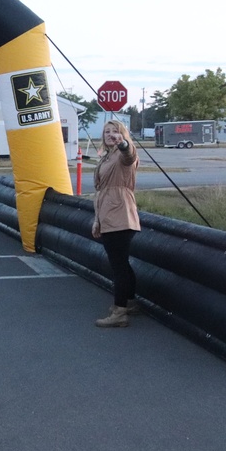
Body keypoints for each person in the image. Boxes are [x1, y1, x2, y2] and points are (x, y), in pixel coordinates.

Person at [91, 119, 141, 328]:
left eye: (115, 132)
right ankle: (129, 302)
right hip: (108, 214)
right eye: (107, 131)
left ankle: (120, 311)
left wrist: (123, 143)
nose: (110, 134)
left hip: (120, 215)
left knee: (118, 266)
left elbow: (130, 156)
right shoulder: (107, 156)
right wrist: (97, 220)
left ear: (122, 134)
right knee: (122, 263)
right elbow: (100, 190)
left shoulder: (122, 154)